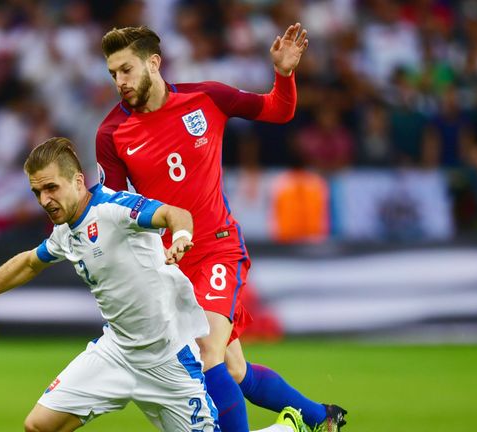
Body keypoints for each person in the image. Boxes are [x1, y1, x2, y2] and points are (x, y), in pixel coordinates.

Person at [0, 137, 307, 432]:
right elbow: (28, 262)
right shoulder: (65, 232)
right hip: (116, 352)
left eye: (51, 188)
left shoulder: (115, 208)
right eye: (37, 192)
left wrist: (180, 236)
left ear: (77, 181)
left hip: (169, 361)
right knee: (38, 425)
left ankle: (290, 427)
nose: (44, 200)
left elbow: (175, 213)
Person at [96, 25, 347, 432]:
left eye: (126, 70)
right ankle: (322, 418)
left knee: (205, 350)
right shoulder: (111, 134)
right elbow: (116, 209)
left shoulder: (206, 97)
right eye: (113, 74)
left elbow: (277, 111)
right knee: (233, 369)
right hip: (170, 265)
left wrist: (283, 75)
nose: (120, 82)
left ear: (153, 63)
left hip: (216, 248)